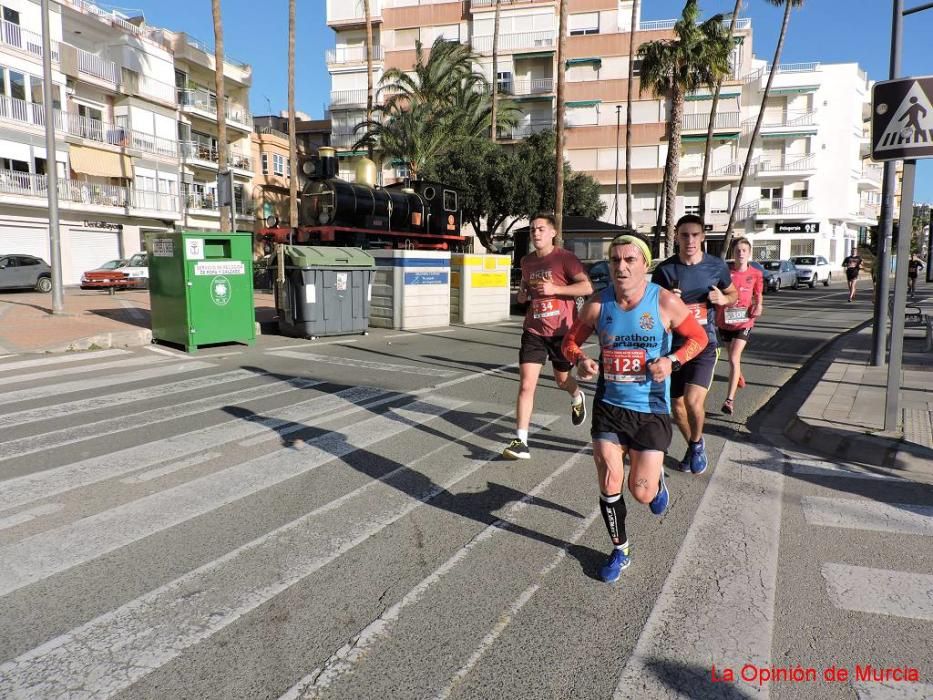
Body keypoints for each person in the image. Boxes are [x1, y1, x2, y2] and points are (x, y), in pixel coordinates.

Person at [561, 234, 709, 583]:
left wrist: (672, 360)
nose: (621, 267)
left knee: (640, 492)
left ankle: (655, 483)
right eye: (615, 260)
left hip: (651, 410)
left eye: (630, 260)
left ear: (645, 265)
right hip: (609, 407)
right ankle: (620, 550)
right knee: (610, 479)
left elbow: (699, 340)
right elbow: (569, 342)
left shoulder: (666, 303)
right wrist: (580, 360)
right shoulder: (598, 305)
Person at [651, 215, 738, 475]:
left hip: (704, 344)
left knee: (692, 401)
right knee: (676, 406)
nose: (690, 240)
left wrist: (723, 297)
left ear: (702, 237)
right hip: (673, 348)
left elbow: (733, 294)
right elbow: (651, 308)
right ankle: (694, 444)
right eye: (685, 235)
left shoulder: (716, 266)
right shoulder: (665, 270)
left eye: (695, 235)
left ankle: (697, 444)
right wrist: (665, 300)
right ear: (676, 236)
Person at [503, 213, 594, 460]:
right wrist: (522, 296)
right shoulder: (526, 261)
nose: (536, 233)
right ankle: (520, 440)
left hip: (561, 332)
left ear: (553, 233)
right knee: (526, 385)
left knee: (562, 381)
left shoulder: (565, 258)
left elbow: (587, 287)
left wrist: (557, 289)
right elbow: (525, 288)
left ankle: (577, 395)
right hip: (534, 330)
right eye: (533, 229)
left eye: (541, 229)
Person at [716, 238, 764, 416]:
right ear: (733, 253)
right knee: (731, 358)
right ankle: (739, 376)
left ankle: (729, 401)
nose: (741, 253)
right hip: (725, 321)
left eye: (744, 250)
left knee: (734, 358)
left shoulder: (756, 274)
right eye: (738, 250)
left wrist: (758, 306)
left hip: (745, 321)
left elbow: (758, 294)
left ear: (749, 253)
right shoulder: (725, 273)